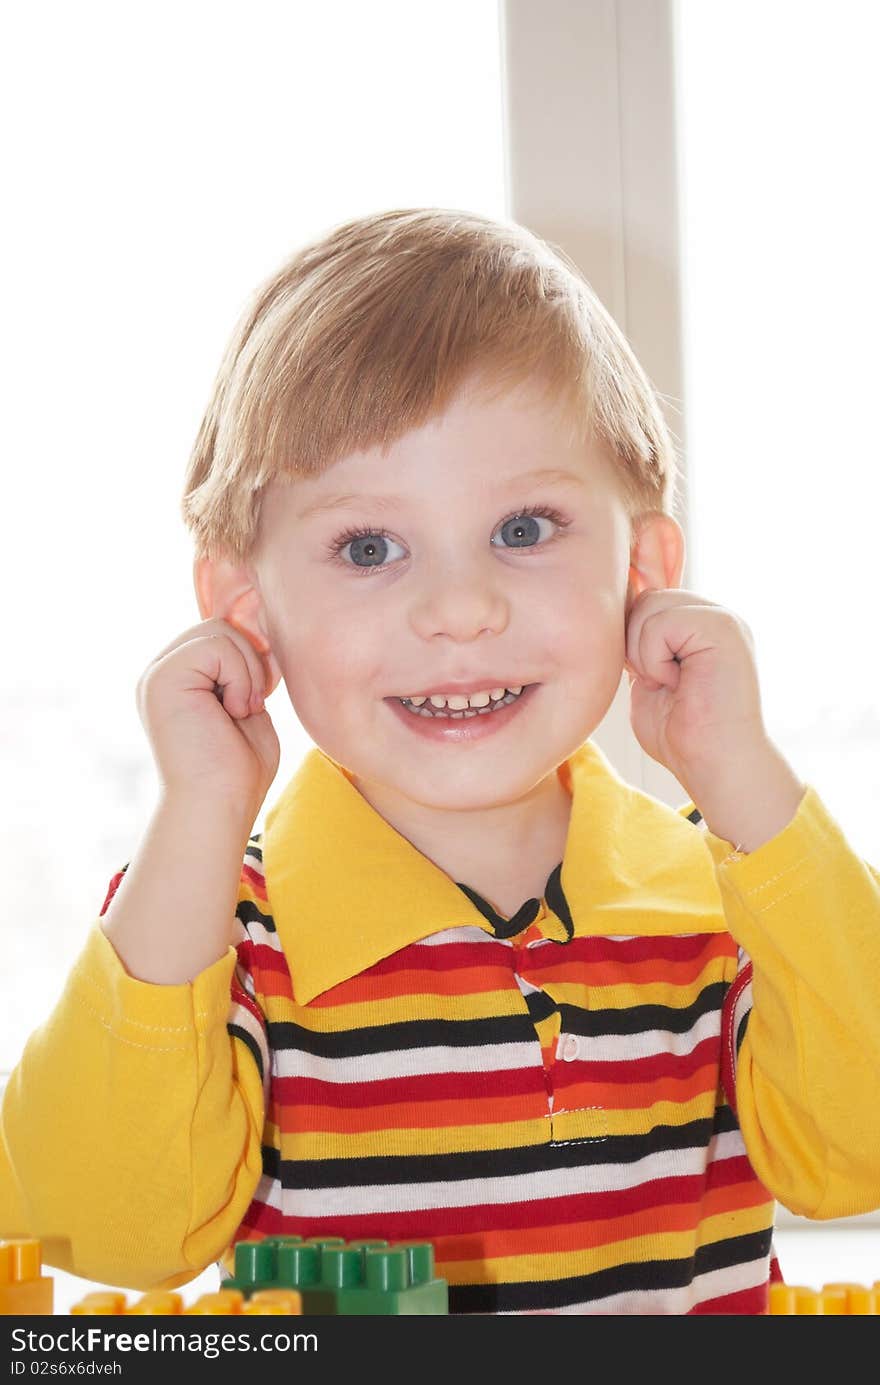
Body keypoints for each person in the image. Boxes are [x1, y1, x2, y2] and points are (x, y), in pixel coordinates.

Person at [2, 209, 879, 1316]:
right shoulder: (221, 931)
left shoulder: (730, 896)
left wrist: (741, 772)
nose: (461, 608)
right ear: (247, 609)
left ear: (644, 566)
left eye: (524, 526)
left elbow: (857, 1154)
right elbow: (106, 1227)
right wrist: (198, 815)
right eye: (369, 548)